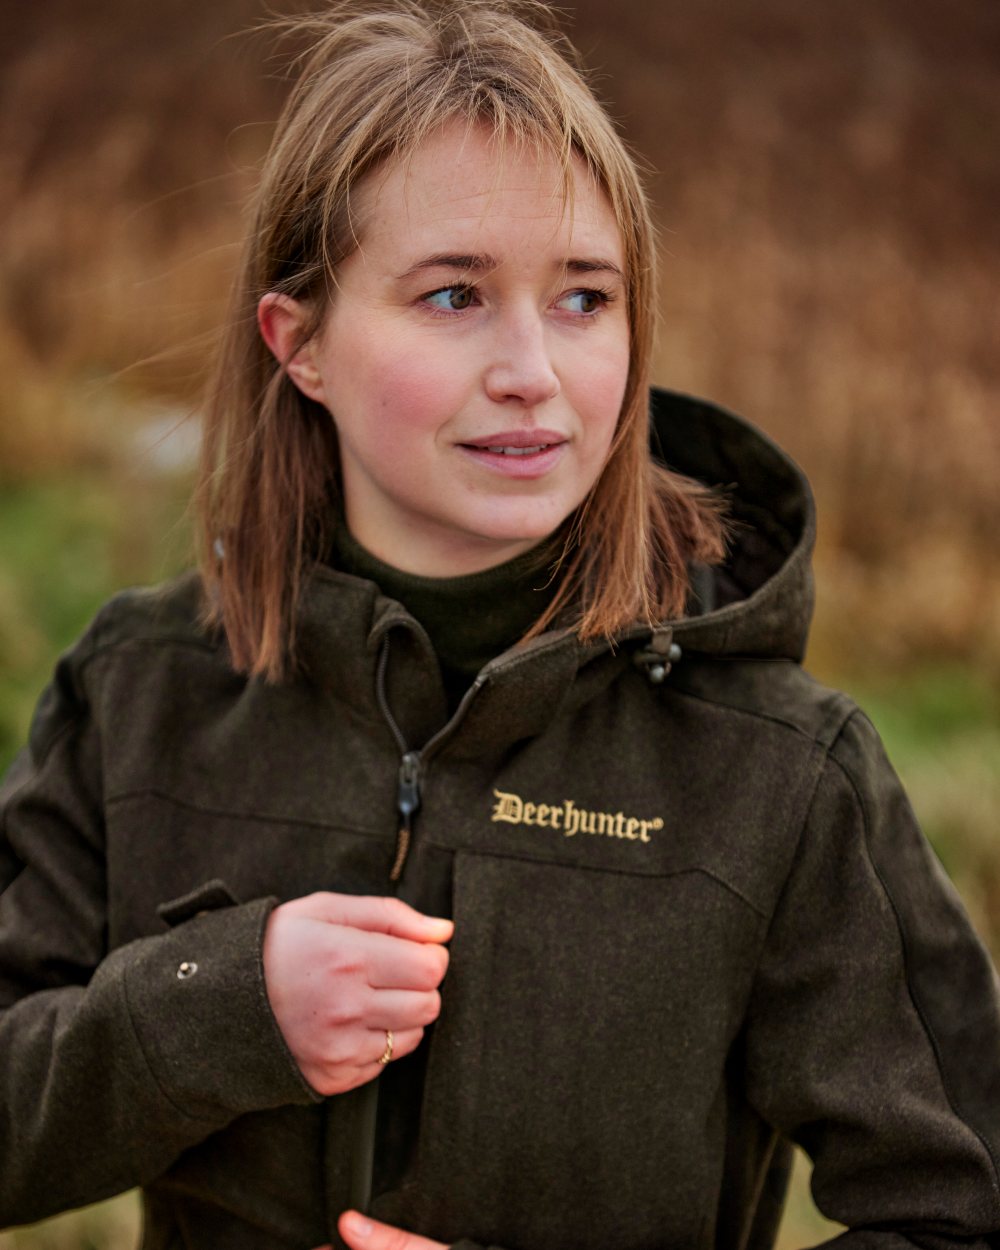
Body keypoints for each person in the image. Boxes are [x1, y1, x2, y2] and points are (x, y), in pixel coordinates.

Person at [1, 2, 998, 1249]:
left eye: (584, 299)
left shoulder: (781, 774)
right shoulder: (142, 694)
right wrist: (217, 1003)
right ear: (298, 341)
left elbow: (960, 1209)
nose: (532, 366)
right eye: (455, 294)